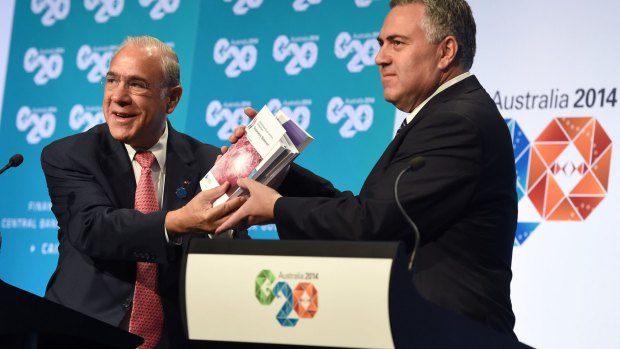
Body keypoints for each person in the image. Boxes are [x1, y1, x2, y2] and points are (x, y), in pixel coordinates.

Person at [217, 0, 518, 337]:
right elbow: (372, 212)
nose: (380, 58)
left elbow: (372, 223)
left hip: (453, 335)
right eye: (380, 44)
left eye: (397, 43)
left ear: (446, 51)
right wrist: (279, 171)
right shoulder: (444, 114)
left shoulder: (455, 121)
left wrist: (276, 208)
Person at [41, 36, 245, 349]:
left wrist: (243, 188)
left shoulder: (207, 162)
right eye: (112, 80)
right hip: (81, 334)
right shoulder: (69, 155)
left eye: (137, 85)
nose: (118, 97)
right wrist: (177, 221)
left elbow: (233, 261)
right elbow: (93, 228)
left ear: (171, 99)